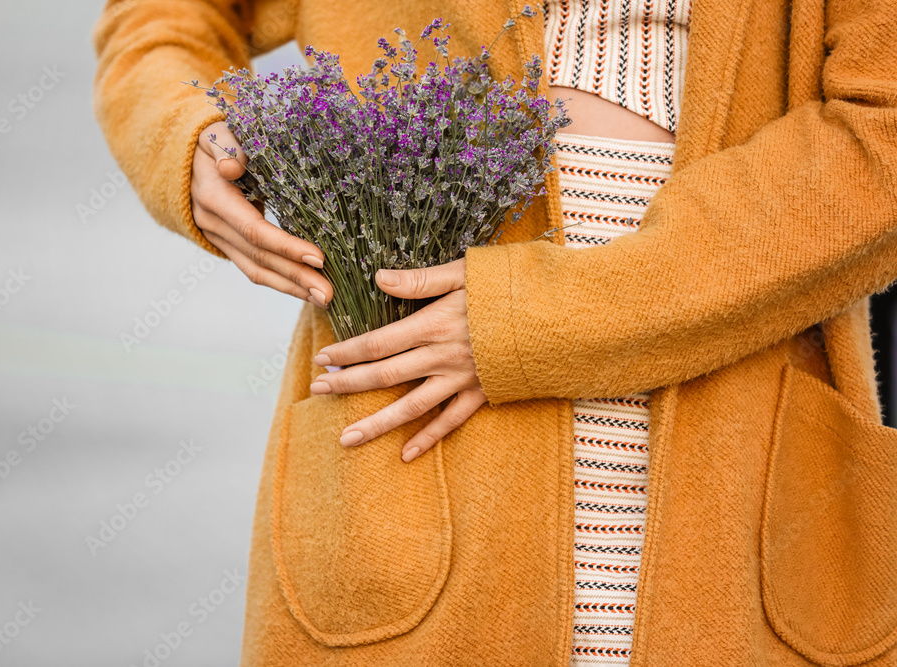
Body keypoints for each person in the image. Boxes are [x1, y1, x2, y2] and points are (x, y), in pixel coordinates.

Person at [92, 0, 897, 664]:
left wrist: (537, 320)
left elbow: (882, 137)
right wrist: (186, 142)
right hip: (423, 476)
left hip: (745, 488)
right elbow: (159, 22)